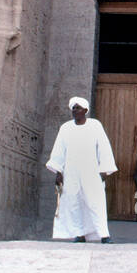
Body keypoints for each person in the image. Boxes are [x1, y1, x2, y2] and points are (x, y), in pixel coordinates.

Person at [46, 96, 117, 243]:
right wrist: (59, 172)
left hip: (91, 170)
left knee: (95, 202)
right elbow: (59, 150)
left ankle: (104, 234)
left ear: (85, 110)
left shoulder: (95, 125)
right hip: (71, 171)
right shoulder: (66, 128)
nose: (74, 110)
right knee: (73, 203)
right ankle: (79, 234)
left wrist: (104, 169)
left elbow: (103, 147)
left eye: (77, 108)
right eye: (73, 108)